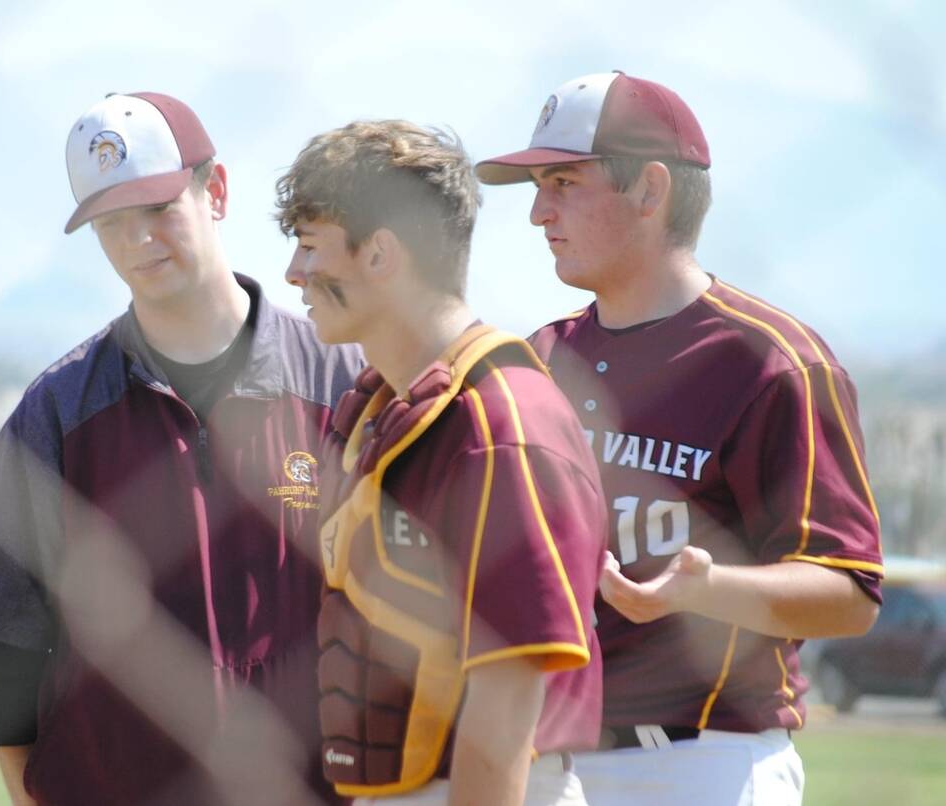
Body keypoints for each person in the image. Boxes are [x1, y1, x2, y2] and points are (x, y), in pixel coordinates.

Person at [0, 91, 363, 805]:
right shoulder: (62, 406)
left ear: (214, 190)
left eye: (158, 209)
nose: (138, 241)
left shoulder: (344, 380)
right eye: (112, 221)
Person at [476, 71, 884, 805]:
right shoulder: (541, 357)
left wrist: (709, 589)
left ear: (650, 190)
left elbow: (850, 592)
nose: (538, 212)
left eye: (564, 181)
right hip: (548, 754)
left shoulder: (771, 362)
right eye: (537, 186)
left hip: (700, 761)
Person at [275, 120, 606, 805]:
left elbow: (509, 696)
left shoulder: (499, 418)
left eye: (310, 246)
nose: (293, 273)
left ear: (380, 255)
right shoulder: (379, 410)